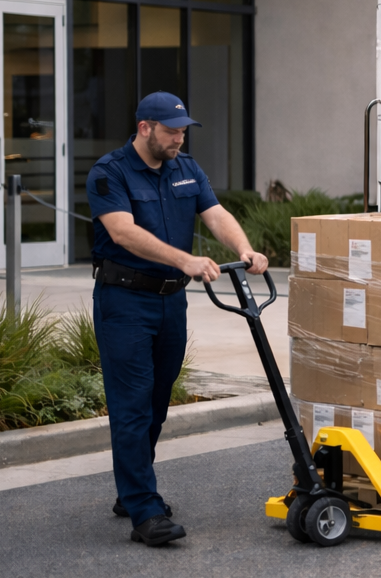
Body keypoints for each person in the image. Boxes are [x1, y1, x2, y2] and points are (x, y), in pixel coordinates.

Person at [86, 92, 268, 546]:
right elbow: (122, 232)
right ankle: (145, 511)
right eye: (170, 131)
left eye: (183, 130)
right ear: (145, 127)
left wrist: (243, 249)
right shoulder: (109, 172)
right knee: (131, 405)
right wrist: (185, 260)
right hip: (124, 300)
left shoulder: (186, 169)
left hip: (171, 302)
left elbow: (216, 214)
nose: (179, 138)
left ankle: (131, 491)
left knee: (157, 402)